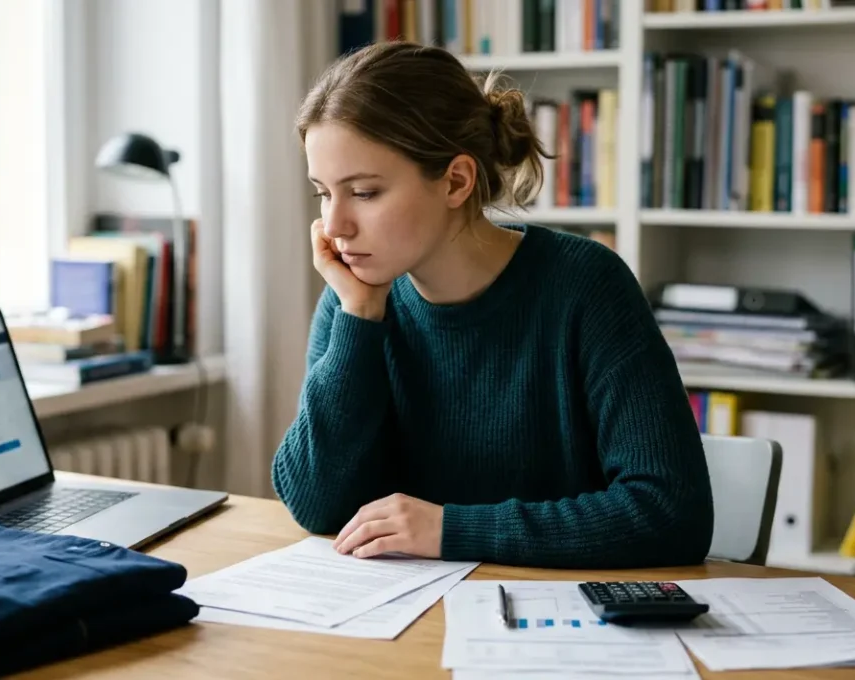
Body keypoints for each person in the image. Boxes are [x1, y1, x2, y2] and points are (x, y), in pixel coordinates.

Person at [271, 40, 714, 569]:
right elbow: (315, 506)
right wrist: (358, 318)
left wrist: (451, 529)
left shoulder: (585, 285)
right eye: (323, 192)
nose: (334, 226)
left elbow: (672, 512)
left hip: (561, 624)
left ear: (456, 180)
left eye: (363, 192)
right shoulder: (354, 302)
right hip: (410, 626)